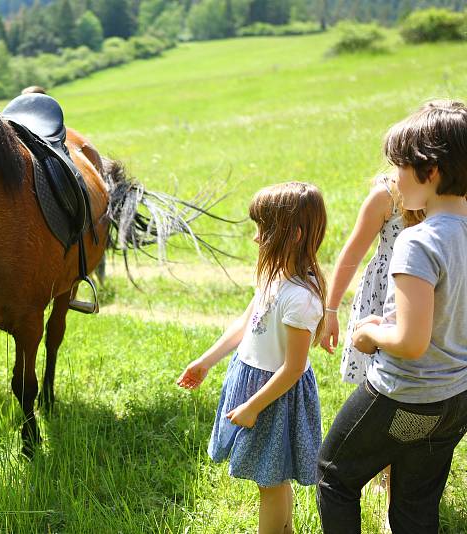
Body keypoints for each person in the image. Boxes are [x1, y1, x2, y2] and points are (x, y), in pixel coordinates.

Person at [317, 100, 467, 533]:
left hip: (406, 394)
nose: (394, 177)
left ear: (431, 171)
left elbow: (410, 341)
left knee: (334, 475)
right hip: (456, 398)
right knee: (416, 504)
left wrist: (370, 336)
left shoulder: (418, 241)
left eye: (399, 165)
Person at [178, 181, 327, 534]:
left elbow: (292, 370)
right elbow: (246, 323)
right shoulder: (273, 275)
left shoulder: (301, 298)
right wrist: (205, 361)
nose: (257, 237)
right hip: (253, 382)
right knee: (270, 479)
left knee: (271, 482)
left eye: (264, 228)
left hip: (274, 396)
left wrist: (253, 406)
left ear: (293, 234)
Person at [319, 171, 424, 498]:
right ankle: (386, 471)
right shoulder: (386, 195)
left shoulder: (450, 193)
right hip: (383, 296)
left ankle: (404, 472)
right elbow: (351, 253)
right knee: (384, 387)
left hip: (423, 295)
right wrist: (331, 310)